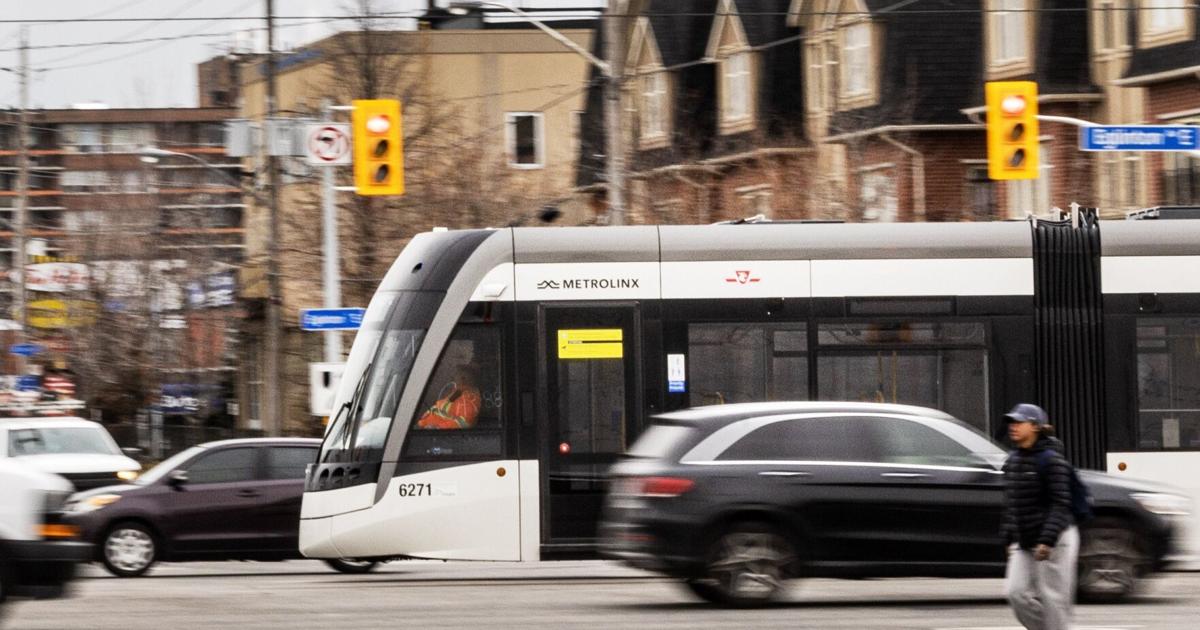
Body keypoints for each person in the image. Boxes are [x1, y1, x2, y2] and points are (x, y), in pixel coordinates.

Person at [1001, 403, 1080, 630]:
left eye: (1019, 422)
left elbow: (1061, 503)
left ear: (1035, 427)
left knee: (1054, 599)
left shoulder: (1052, 460)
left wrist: (1048, 539)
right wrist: (1008, 537)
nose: (1013, 427)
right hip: (1025, 539)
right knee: (1016, 594)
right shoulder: (1013, 460)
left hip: (1056, 538)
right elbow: (1011, 503)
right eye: (1011, 422)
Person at [416, 363, 481, 430]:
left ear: (463, 380)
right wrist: (425, 417)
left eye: (456, 376)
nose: (453, 379)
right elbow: (442, 406)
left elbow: (465, 423)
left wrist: (438, 427)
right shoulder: (458, 392)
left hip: (435, 432)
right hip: (425, 425)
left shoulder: (469, 400)